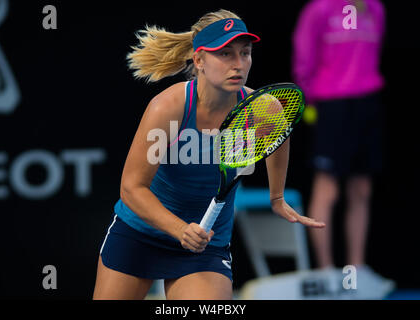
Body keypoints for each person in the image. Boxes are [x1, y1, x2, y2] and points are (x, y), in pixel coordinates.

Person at [93, 9, 325, 300]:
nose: (238, 64)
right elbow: (131, 188)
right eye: (225, 54)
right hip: (141, 234)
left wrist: (276, 197)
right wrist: (179, 229)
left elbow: (278, 141)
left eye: (245, 53)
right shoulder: (167, 108)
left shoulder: (265, 109)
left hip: (206, 245)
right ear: (199, 60)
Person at [292, 0, 394, 297]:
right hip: (332, 105)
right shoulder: (319, 9)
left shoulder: (376, 9)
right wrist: (309, 101)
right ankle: (326, 272)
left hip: (367, 103)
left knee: (361, 189)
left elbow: (373, 57)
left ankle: (355, 270)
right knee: (328, 191)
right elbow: (304, 57)